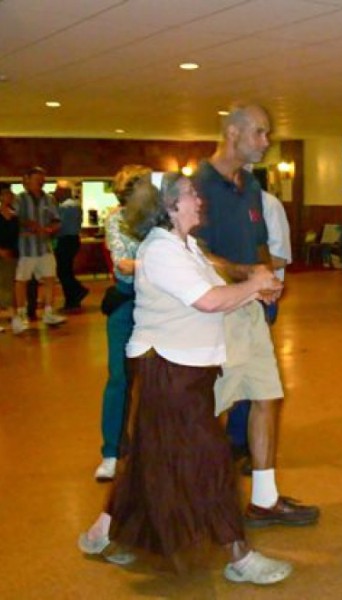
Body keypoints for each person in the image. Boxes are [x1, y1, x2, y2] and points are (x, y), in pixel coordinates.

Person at [78, 172, 292, 585]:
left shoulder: (186, 245)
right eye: (191, 194)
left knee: (151, 460)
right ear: (169, 206)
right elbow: (209, 301)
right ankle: (239, 555)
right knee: (211, 459)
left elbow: (210, 298)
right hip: (168, 371)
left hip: (186, 370)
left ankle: (102, 533)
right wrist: (254, 284)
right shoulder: (161, 250)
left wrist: (253, 291)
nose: (199, 199)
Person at [194, 102, 319, 526]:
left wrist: (267, 277)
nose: (267, 143)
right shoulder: (198, 184)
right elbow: (193, 254)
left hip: (250, 310)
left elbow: (260, 242)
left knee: (267, 396)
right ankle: (196, 500)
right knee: (209, 408)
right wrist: (249, 274)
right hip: (213, 313)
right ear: (233, 133)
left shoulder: (249, 185)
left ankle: (263, 500)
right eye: (260, 133)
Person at [94, 165, 154, 482]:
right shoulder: (116, 219)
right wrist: (160, 262)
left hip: (159, 304)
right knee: (119, 377)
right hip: (126, 302)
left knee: (161, 378)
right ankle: (111, 452)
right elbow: (123, 264)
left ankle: (156, 449)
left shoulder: (161, 219)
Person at [226, 183, 293, 463]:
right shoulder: (219, 205)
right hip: (227, 297)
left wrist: (237, 266)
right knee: (232, 367)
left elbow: (280, 256)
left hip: (260, 296)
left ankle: (242, 443)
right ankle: (237, 438)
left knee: (250, 371)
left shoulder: (268, 205)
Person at [11, 166, 66, 333]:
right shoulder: (19, 199)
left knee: (50, 279)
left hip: (45, 247)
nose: (40, 183)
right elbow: (14, 220)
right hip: (26, 248)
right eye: (36, 180)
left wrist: (52, 228)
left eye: (42, 180)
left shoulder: (49, 199)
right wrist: (29, 225)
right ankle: (20, 315)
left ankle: (49, 312)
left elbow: (56, 219)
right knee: (21, 281)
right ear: (26, 180)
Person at [54, 182, 89, 310]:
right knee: (66, 270)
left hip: (65, 241)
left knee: (63, 271)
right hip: (73, 240)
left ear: (63, 192)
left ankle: (76, 292)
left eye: (57, 190)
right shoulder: (75, 205)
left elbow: (59, 225)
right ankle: (73, 298)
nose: (55, 193)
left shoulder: (66, 207)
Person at [0, 182, 20, 331]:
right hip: (3, 253)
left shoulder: (14, 215)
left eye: (10, 193)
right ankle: (14, 317)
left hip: (11, 254)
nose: (10, 196)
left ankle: (14, 317)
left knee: (8, 285)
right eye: (7, 193)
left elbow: (15, 236)